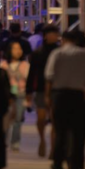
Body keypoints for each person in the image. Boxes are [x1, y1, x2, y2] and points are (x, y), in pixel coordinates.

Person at [45, 30, 85, 169]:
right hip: (78, 96)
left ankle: (58, 163)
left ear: (65, 40)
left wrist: (48, 96)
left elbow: (49, 76)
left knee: (60, 130)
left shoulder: (57, 54)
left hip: (59, 95)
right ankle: (75, 166)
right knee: (78, 132)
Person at [26, 25, 59, 157]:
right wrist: (28, 91)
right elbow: (31, 72)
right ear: (45, 36)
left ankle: (53, 147)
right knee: (41, 118)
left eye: (55, 34)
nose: (54, 36)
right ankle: (42, 140)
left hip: (57, 88)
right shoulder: (38, 53)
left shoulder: (59, 52)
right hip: (40, 88)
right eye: (51, 34)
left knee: (54, 119)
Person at [0, 40, 30, 152]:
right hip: (6, 96)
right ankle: (3, 140)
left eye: (20, 49)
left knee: (18, 119)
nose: (18, 51)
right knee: (5, 119)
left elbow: (29, 81)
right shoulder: (3, 65)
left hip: (20, 94)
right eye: (15, 48)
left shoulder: (25, 65)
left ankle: (15, 142)